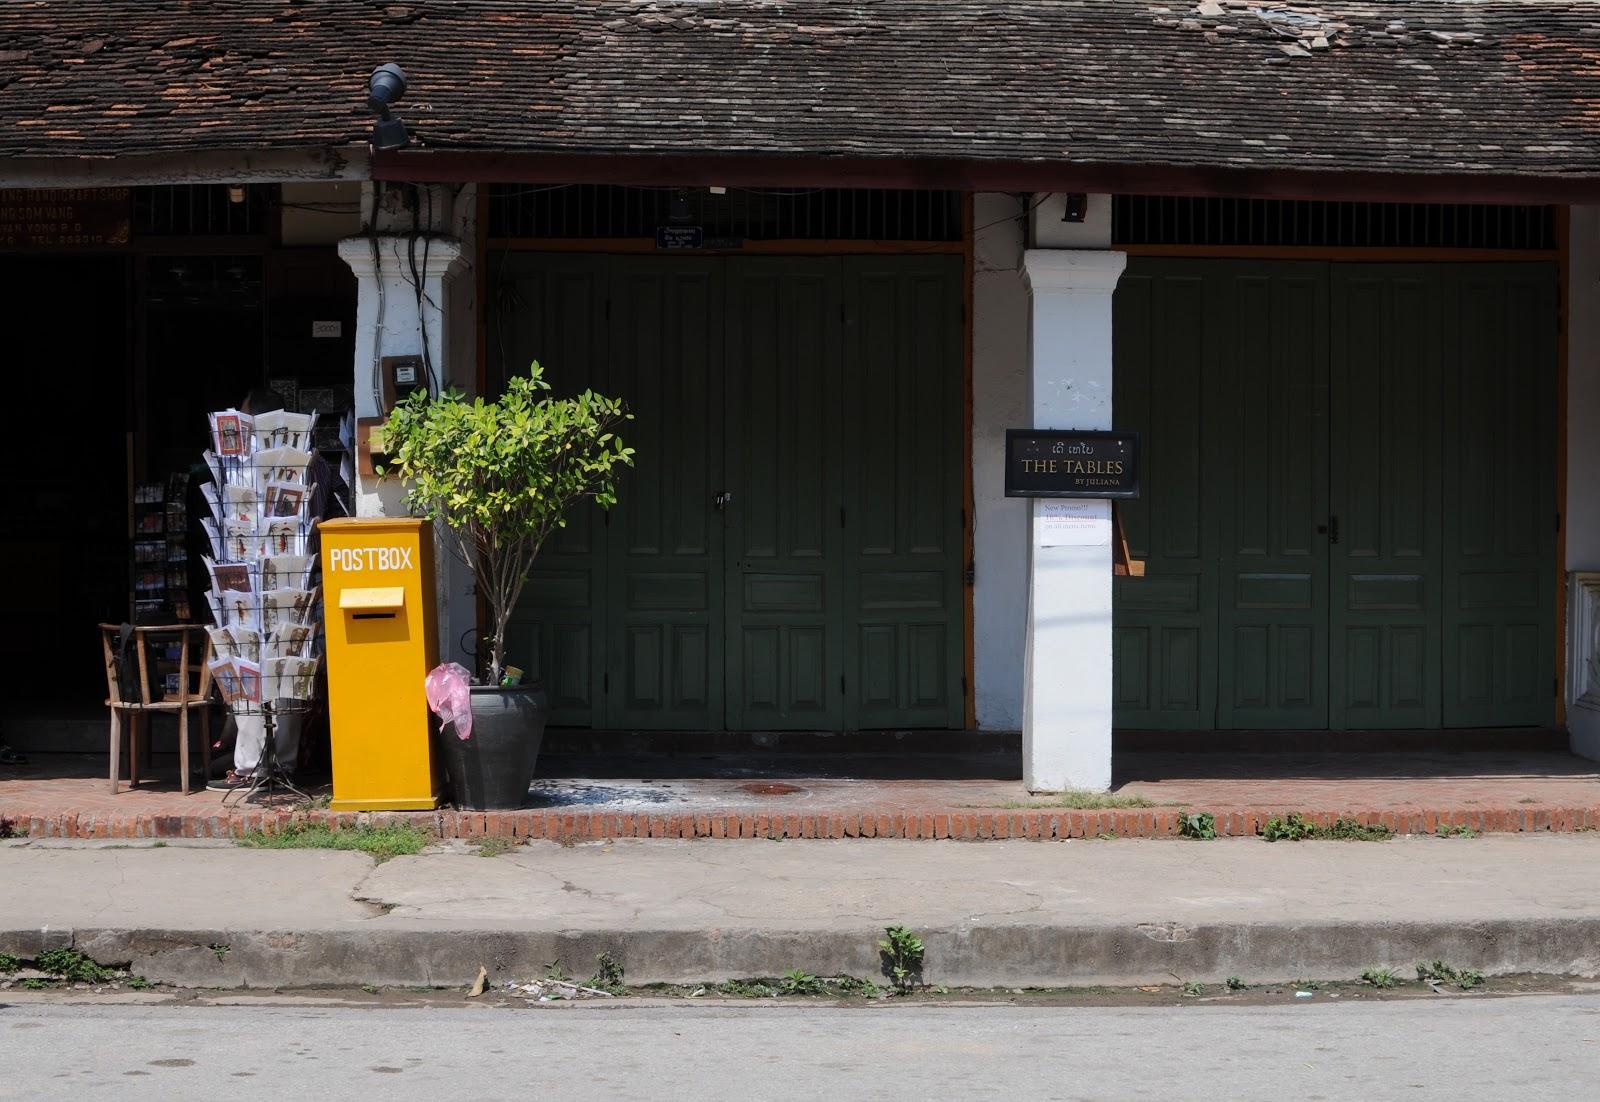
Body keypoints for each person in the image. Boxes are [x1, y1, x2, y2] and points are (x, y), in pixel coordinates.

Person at [208, 386, 345, 789]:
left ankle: (252, 766)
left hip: (264, 584)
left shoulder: (245, 465)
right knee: (283, 669)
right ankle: (283, 761)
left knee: (256, 668)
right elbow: (338, 512)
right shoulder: (316, 465)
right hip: (294, 582)